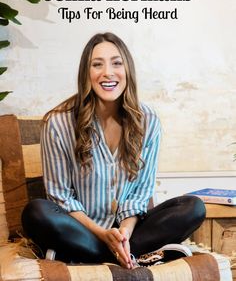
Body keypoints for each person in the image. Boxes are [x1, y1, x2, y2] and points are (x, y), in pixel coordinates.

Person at [21, 32, 206, 269]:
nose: (108, 72)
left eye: (116, 63)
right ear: (86, 74)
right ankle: (117, 254)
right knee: (36, 212)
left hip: (129, 233)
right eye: (97, 64)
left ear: (127, 70)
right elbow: (60, 197)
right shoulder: (57, 123)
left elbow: (140, 194)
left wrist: (124, 234)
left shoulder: (147, 120)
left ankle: (108, 252)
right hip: (81, 230)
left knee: (193, 207)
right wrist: (102, 234)